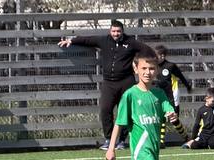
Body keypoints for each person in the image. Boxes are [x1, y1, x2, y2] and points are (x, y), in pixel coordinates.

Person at [58, 20, 154, 149]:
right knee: (105, 109)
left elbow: (147, 50)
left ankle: (122, 140)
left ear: (122, 31)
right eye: (113, 31)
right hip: (109, 83)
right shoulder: (104, 40)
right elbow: (88, 40)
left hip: (126, 81)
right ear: (110, 31)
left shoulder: (131, 42)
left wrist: (140, 64)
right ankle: (109, 139)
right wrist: (72, 41)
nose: (116, 34)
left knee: (125, 111)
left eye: (118, 31)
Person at [152, 44, 191, 142]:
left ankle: (185, 137)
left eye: (157, 55)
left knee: (173, 118)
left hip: (169, 96)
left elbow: (181, 76)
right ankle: (161, 141)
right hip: (156, 96)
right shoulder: (152, 66)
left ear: (162, 56)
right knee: (160, 116)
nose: (155, 57)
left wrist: (187, 86)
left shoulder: (170, 66)